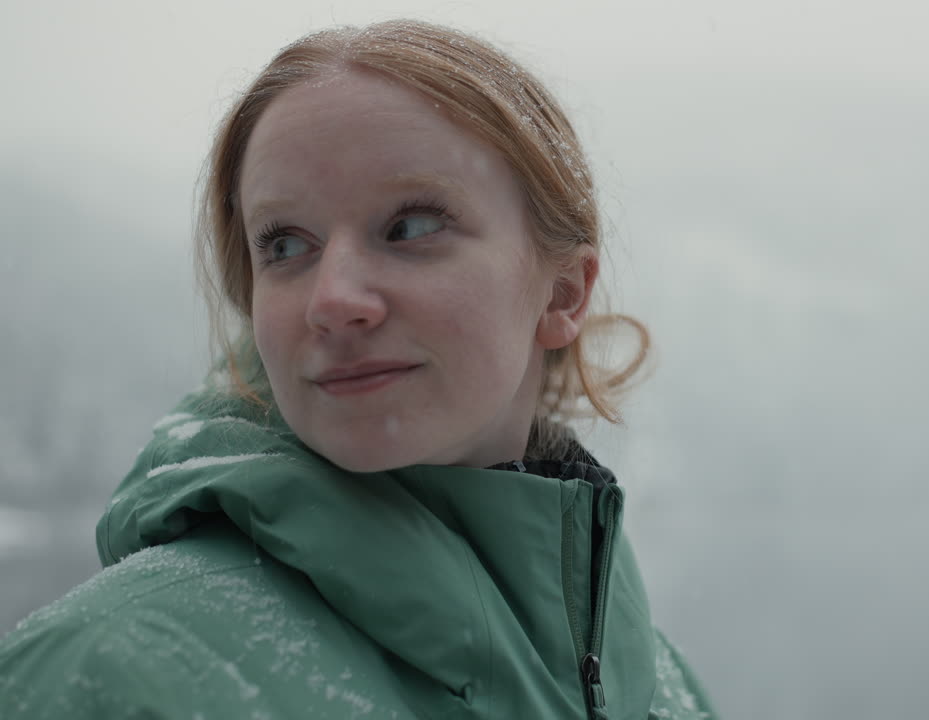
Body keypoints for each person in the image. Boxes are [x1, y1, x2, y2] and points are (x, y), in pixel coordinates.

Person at [0, 20, 716, 719]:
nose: (333, 299)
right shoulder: (110, 675)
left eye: (410, 226)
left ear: (562, 293)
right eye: (285, 245)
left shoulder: (658, 686)